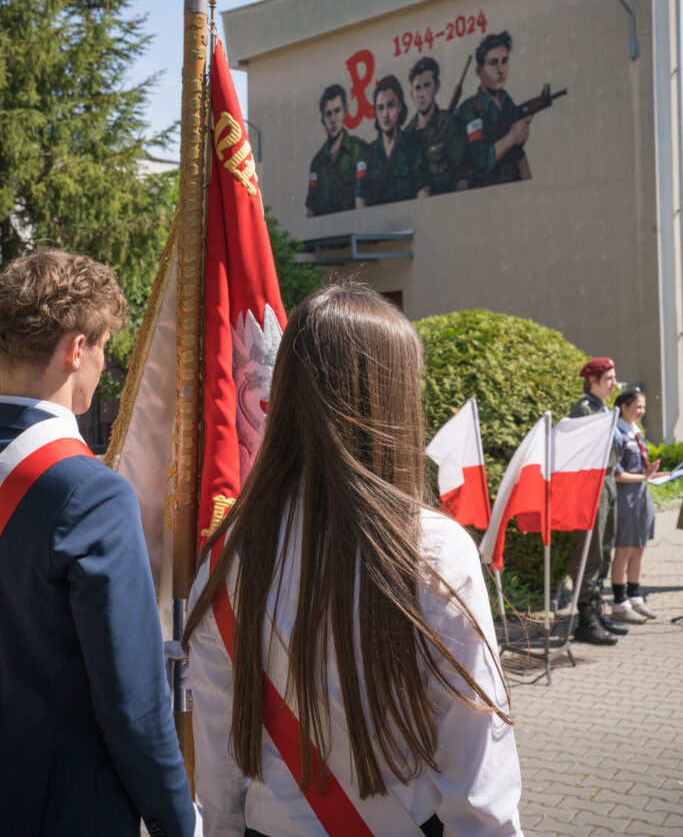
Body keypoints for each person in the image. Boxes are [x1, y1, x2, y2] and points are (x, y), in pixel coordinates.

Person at [184, 282, 523, 837]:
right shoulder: (433, 548)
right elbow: (478, 766)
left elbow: (220, 767)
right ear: (394, 399)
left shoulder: (227, 552)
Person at [0, 249, 199, 837]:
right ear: (77, 348)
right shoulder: (90, 493)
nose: (103, 363)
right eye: (106, 346)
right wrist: (179, 822)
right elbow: (132, 706)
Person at [568, 357, 626, 646]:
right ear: (592, 381)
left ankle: (596, 610)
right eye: (609, 378)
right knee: (590, 550)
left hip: (608, 479)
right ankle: (585, 620)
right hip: (592, 484)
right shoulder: (584, 409)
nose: (614, 383)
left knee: (604, 546)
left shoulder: (602, 408)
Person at [610, 388, 663, 623]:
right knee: (624, 549)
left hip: (642, 496)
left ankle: (635, 597)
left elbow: (639, 468)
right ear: (624, 407)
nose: (642, 411)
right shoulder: (617, 433)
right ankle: (619, 603)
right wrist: (644, 476)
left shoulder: (636, 431)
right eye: (638, 406)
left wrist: (652, 474)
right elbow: (616, 473)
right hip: (626, 499)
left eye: (643, 407)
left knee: (639, 547)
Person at [455, 31, 532, 187]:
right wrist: (512, 137)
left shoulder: (506, 101)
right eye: (493, 63)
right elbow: (481, 159)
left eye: (504, 61)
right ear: (479, 71)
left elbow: (517, 154)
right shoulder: (470, 110)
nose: (501, 70)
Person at [355, 74, 428, 207]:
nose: (385, 114)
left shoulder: (413, 147)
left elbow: (423, 191)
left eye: (390, 106)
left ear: (400, 106)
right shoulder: (367, 154)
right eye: (380, 108)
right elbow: (360, 198)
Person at [405, 56, 467, 195]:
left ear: (436, 87)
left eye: (426, 85)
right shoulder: (407, 135)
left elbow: (462, 180)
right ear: (412, 94)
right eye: (417, 88)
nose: (421, 94)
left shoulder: (451, 124)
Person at [306, 84, 368, 216]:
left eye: (337, 111)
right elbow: (311, 209)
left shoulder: (358, 149)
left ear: (345, 111)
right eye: (328, 113)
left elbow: (364, 200)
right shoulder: (317, 163)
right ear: (323, 119)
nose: (333, 119)